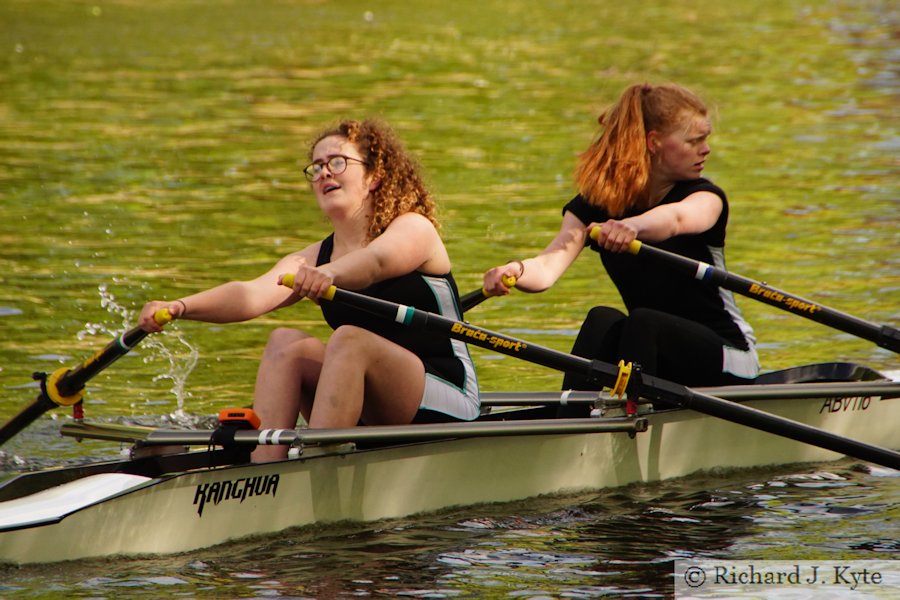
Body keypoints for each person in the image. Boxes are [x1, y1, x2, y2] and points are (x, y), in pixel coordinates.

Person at [140, 119, 480, 461]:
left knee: (349, 339)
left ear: (375, 176)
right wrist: (181, 306)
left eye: (337, 163)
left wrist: (329, 274)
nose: (324, 174)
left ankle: (314, 465)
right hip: (366, 398)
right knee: (285, 342)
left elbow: (376, 261)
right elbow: (250, 295)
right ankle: (264, 472)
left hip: (444, 392)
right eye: (316, 167)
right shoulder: (315, 256)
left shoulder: (414, 228)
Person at [482, 83, 758, 410]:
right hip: (652, 357)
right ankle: (570, 420)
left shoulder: (705, 198)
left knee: (644, 322)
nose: (706, 149)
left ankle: (627, 418)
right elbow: (547, 267)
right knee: (602, 320)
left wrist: (634, 227)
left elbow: (677, 219)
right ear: (654, 143)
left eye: (705, 139)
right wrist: (516, 270)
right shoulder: (598, 206)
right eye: (695, 140)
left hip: (728, 356)